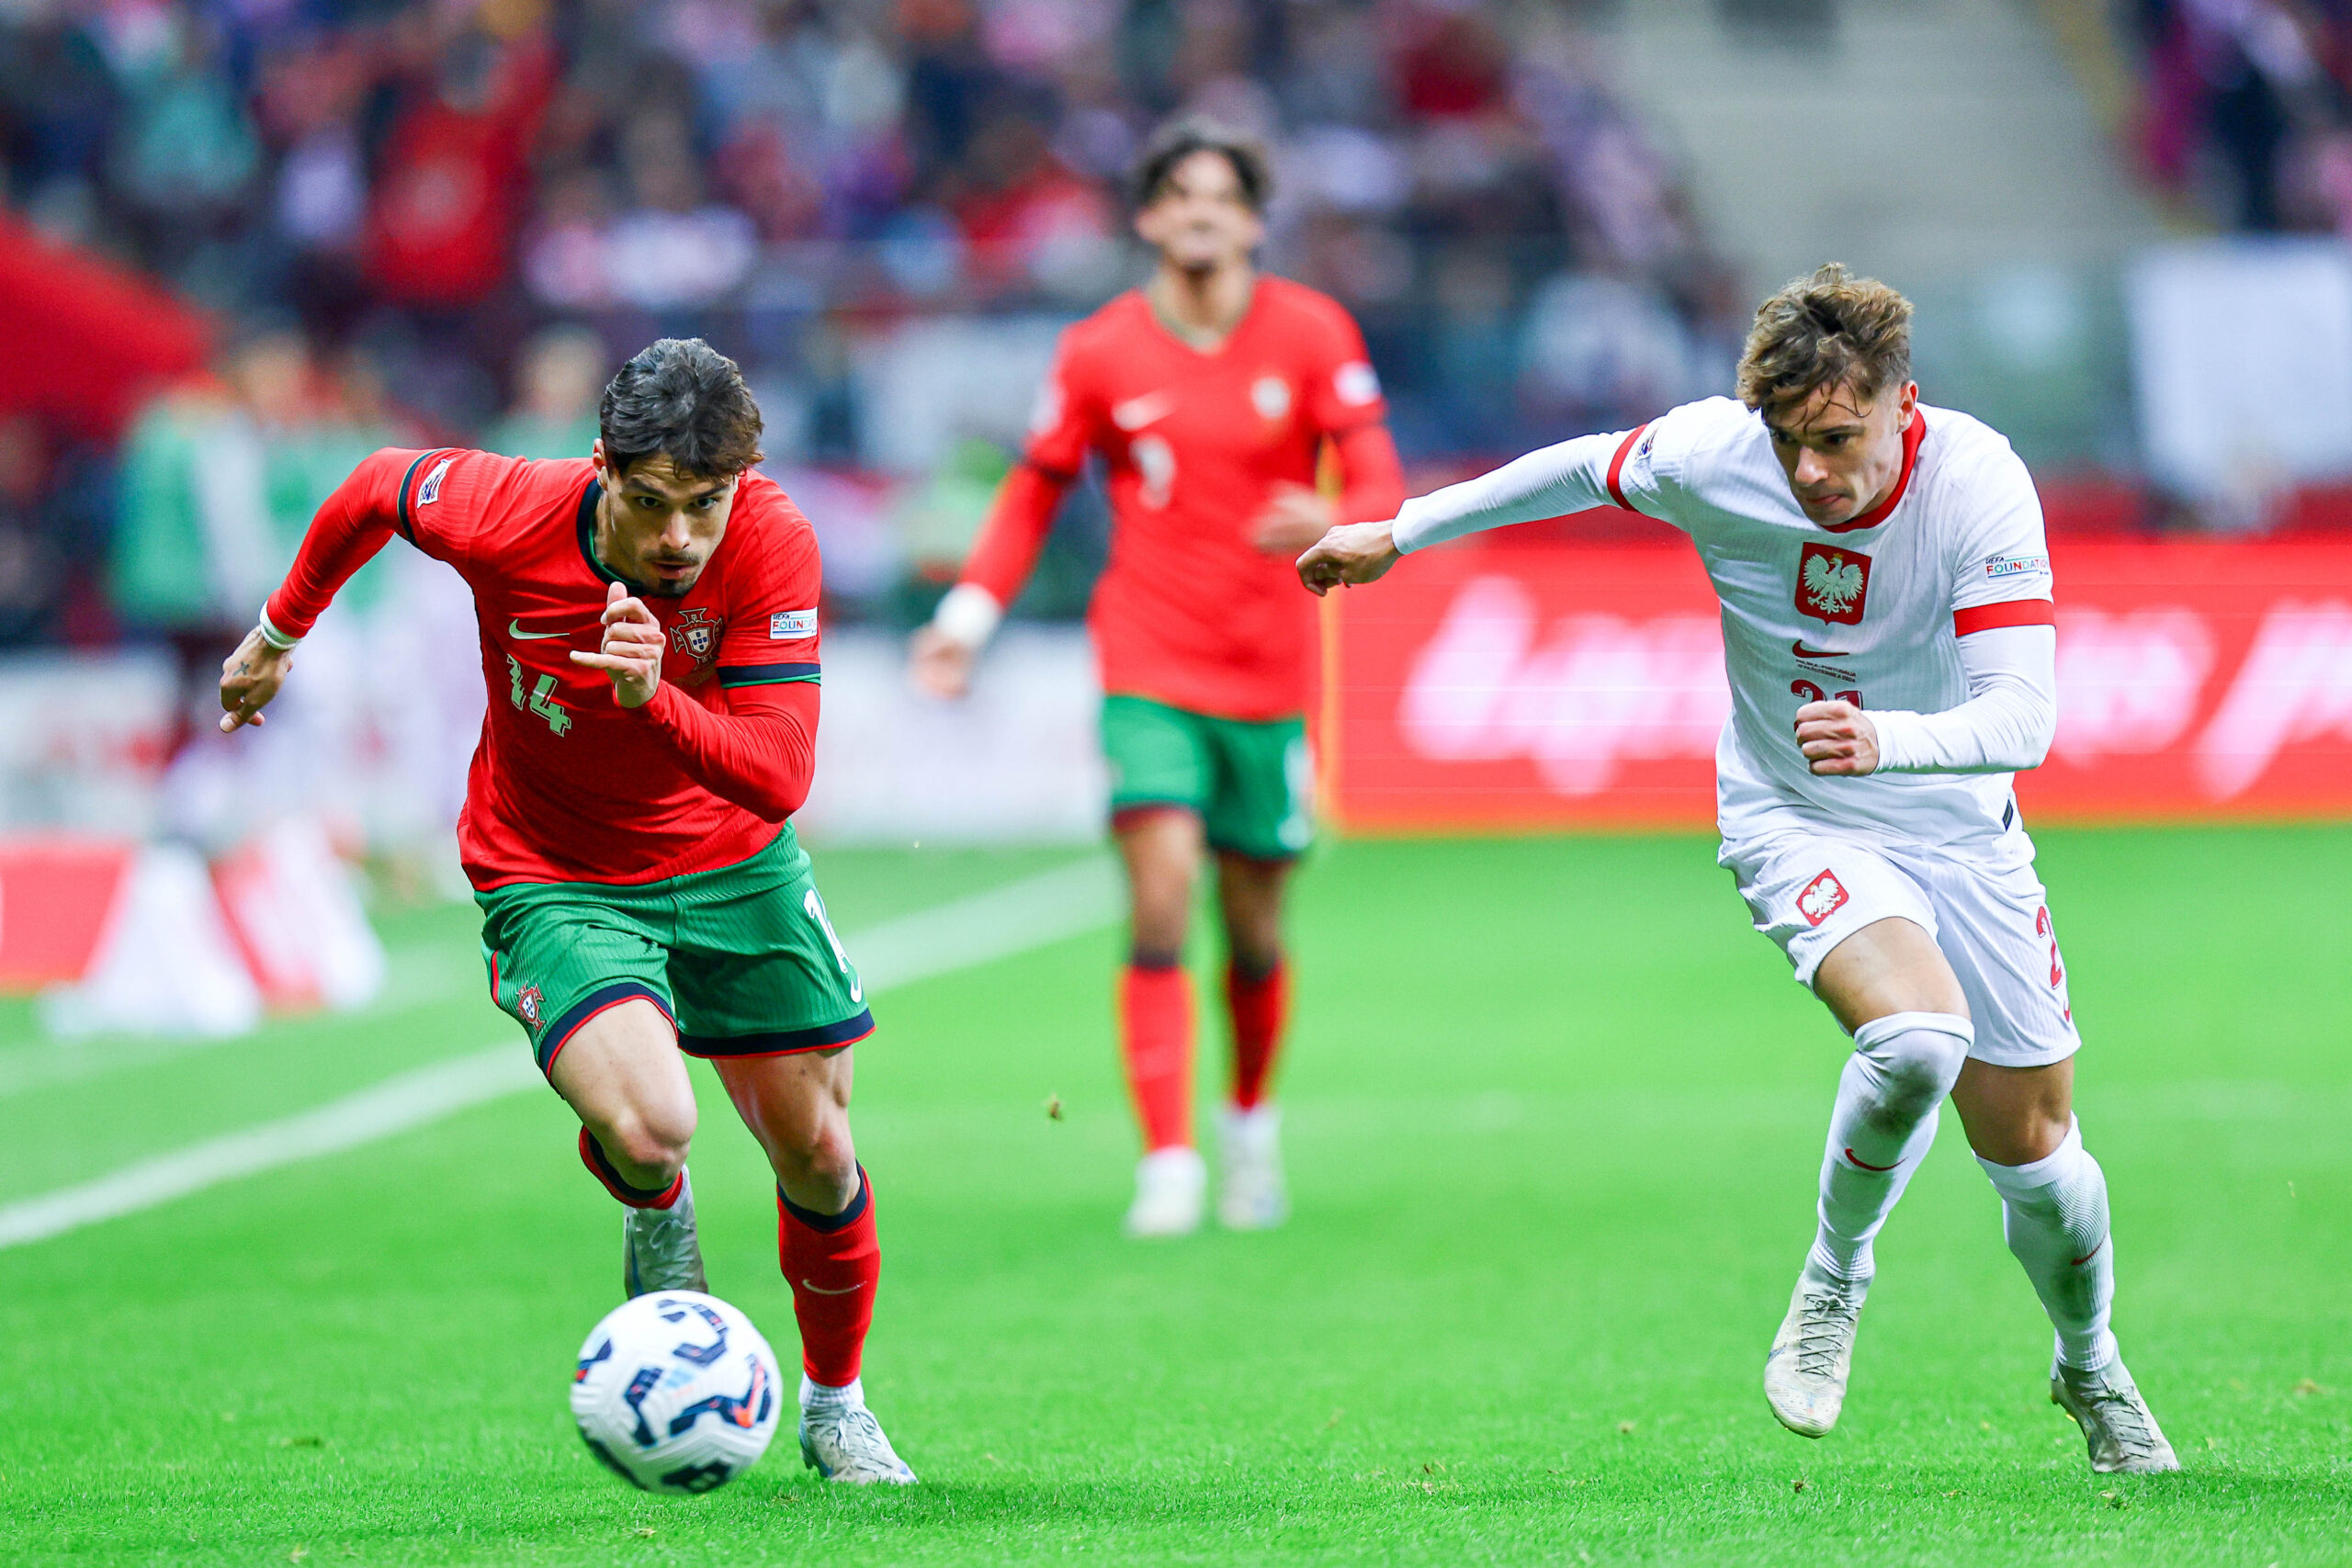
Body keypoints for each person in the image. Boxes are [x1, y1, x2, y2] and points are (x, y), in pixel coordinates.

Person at [1296, 265, 2177, 1475]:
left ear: (1899, 405)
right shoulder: (1717, 454)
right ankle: (1833, 1276)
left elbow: (2025, 715)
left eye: (1836, 438)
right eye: (1789, 440)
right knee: (1916, 1036)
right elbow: (1575, 467)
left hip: (1959, 826)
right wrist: (1403, 529)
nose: (1811, 469)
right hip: (1795, 812)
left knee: (2043, 1162)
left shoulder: (1978, 481)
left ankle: (2089, 1363)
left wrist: (1891, 738)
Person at [218, 338, 917, 1485]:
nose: (679, 537)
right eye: (651, 505)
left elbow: (781, 775)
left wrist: (652, 707)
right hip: (556, 868)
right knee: (652, 1126)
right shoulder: (508, 510)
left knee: (821, 1156)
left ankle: (834, 1404)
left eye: (705, 504)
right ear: (600, 470)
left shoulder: (774, 539)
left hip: (736, 863)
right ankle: (657, 1203)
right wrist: (279, 634)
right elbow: (372, 486)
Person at [910, 118, 1407, 1237]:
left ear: (1250, 219)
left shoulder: (1313, 332)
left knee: (1255, 927)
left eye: (1219, 197)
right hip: (1147, 659)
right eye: (1177, 195)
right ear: (1145, 218)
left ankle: (1247, 1128)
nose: (1197, 213)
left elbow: (1375, 468)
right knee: (1161, 890)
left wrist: (1337, 516)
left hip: (1271, 671)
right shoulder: (1099, 350)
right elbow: (1035, 488)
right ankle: (1168, 1160)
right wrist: (967, 614)